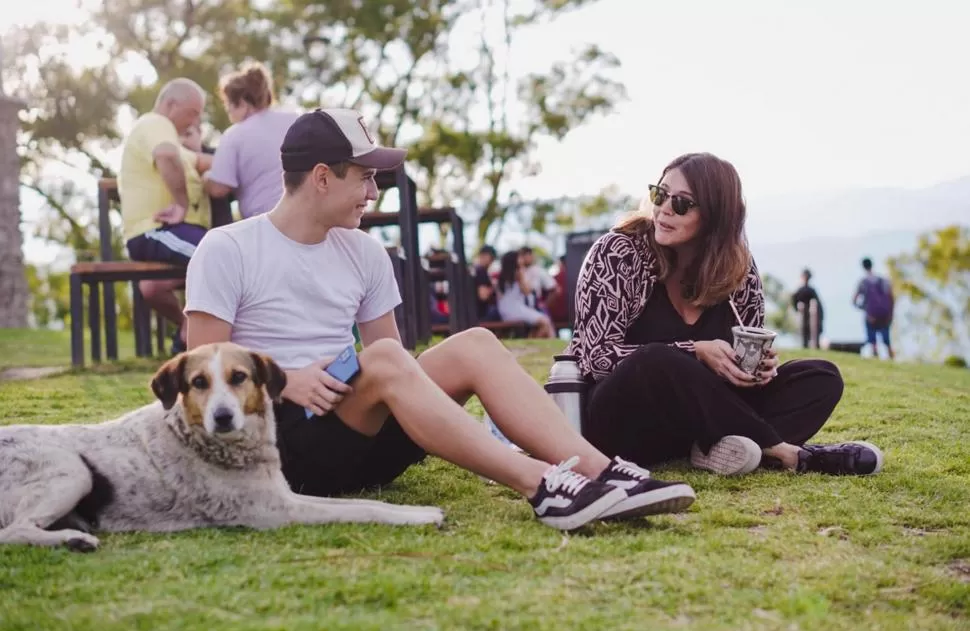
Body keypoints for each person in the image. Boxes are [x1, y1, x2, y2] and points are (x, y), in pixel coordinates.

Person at [183, 107, 697, 531]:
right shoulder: (228, 248)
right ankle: (542, 486)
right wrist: (286, 379)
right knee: (384, 358)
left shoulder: (364, 252)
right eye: (364, 178)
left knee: (471, 343)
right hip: (280, 442)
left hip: (356, 439)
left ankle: (601, 473)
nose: (373, 192)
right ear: (321, 177)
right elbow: (197, 369)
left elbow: (397, 371)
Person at [566, 152, 885, 478]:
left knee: (821, 376)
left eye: (681, 203)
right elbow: (594, 358)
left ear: (716, 215)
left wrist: (758, 370)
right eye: (659, 194)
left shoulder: (739, 270)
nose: (663, 208)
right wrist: (696, 351)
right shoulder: (618, 253)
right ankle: (788, 453)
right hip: (627, 422)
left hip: (702, 420)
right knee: (656, 359)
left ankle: (717, 449)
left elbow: (746, 353)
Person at [119, 78, 211, 354]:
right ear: (171, 105)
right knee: (221, 256)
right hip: (155, 229)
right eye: (193, 112)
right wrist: (181, 203)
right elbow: (167, 156)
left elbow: (208, 163)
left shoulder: (176, 143)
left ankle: (186, 333)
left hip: (171, 234)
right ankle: (216, 340)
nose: (196, 121)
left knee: (152, 286)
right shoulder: (155, 124)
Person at [204, 61, 300, 219]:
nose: (229, 114)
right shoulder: (295, 119)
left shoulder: (234, 135)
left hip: (269, 220)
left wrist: (206, 177)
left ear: (241, 103)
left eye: (228, 107)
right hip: (311, 214)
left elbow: (219, 188)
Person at [496, 251, 556, 338]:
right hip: (516, 310)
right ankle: (537, 343)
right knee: (545, 322)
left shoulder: (502, 276)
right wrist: (522, 271)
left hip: (505, 311)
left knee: (543, 323)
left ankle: (535, 340)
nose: (522, 259)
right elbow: (527, 291)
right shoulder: (518, 274)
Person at [853, 257, 895, 360]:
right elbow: (891, 297)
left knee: (873, 342)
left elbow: (854, 300)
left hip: (871, 316)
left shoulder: (863, 282)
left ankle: (876, 358)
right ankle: (892, 359)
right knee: (887, 341)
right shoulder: (883, 280)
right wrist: (890, 313)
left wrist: (864, 308)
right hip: (884, 315)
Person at [791, 268, 824, 349]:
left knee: (811, 331)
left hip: (811, 314)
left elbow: (818, 304)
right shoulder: (801, 290)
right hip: (803, 313)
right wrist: (797, 309)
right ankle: (805, 346)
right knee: (803, 331)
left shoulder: (811, 290)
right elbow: (794, 299)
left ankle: (814, 345)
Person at [472, 244, 501, 323]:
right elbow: (483, 295)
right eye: (491, 258)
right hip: (481, 314)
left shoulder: (473, 270)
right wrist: (494, 288)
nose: (492, 261)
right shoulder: (481, 271)